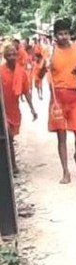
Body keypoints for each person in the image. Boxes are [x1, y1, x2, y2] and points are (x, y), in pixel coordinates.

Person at [47, 18, 76, 184]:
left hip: (74, 95)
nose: (63, 36)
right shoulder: (51, 51)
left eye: (66, 33)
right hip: (57, 97)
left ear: (70, 34)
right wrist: (45, 66)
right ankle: (66, 172)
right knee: (61, 136)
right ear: (55, 35)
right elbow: (44, 72)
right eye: (60, 34)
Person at [2, 41, 37, 173]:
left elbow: (26, 92)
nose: (11, 57)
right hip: (2, 110)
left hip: (14, 110)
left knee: (9, 138)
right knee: (8, 137)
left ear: (16, 56)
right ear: (5, 57)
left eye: (13, 55)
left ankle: (11, 165)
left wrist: (32, 109)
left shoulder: (21, 72)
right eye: (8, 55)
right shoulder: (0, 71)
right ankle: (12, 166)